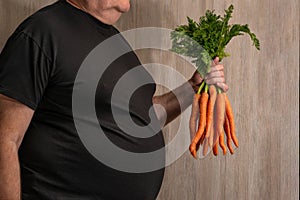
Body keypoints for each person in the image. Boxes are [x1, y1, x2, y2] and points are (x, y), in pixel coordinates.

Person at [0, 0, 228, 199]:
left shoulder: (115, 40)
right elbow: (6, 138)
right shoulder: (42, 31)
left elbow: (143, 119)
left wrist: (192, 87)